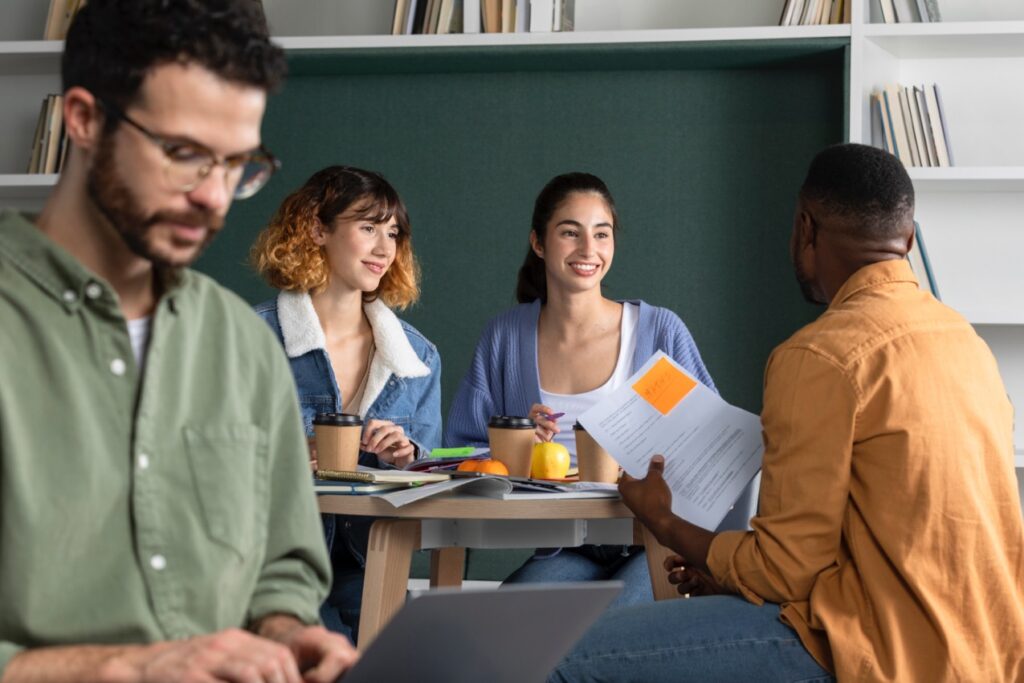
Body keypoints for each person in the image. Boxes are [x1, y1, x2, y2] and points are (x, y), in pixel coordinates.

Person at [550, 144, 1024, 682]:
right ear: (909, 240)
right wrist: (726, 573)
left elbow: (782, 570)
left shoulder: (819, 355)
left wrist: (664, 519)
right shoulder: (964, 341)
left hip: (875, 652)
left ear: (805, 228)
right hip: (987, 655)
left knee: (556, 658)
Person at [0, 1, 359, 681]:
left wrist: (288, 633)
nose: (214, 197)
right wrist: (131, 667)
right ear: (83, 119)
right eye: (185, 154)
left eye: (237, 165)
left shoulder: (246, 346)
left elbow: (281, 566)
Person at [445, 172, 736, 606]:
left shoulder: (658, 333)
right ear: (539, 244)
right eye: (569, 233)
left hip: (652, 544)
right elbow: (455, 454)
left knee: (610, 639)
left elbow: (718, 449)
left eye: (602, 234)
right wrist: (517, 445)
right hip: (564, 549)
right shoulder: (504, 338)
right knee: (501, 623)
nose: (588, 250)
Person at [251, 165, 442, 644]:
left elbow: (433, 480)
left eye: (393, 233)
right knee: (333, 654)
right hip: (273, 562)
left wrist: (408, 459)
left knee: (410, 657)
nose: (384, 248)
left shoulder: (416, 357)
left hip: (369, 561)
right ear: (317, 229)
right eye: (368, 228)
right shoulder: (251, 339)